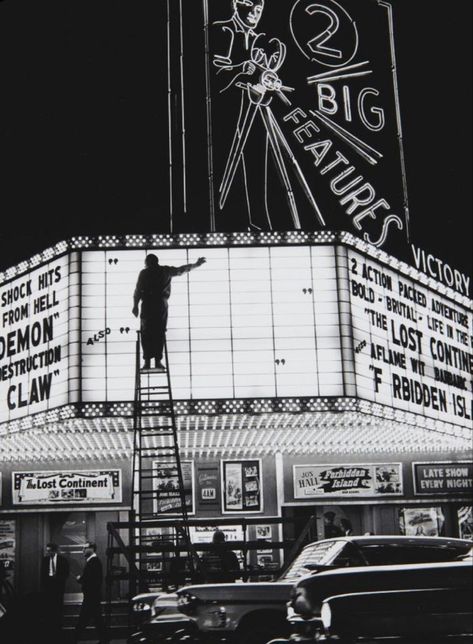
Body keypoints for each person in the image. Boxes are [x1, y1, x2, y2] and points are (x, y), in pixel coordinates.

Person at [132, 254, 207, 370]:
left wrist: (135, 305)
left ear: (147, 262)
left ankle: (147, 362)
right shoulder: (165, 270)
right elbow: (181, 270)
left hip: (148, 304)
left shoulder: (144, 273)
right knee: (159, 331)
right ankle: (157, 361)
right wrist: (196, 265)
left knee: (146, 332)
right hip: (160, 304)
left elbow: (137, 290)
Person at [74, 542, 108, 644]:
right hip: (93, 596)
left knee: (83, 620)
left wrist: (80, 579)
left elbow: (91, 579)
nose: (82, 550)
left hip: (91, 596)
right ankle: (104, 639)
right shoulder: (93, 561)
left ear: (92, 548)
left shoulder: (93, 561)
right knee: (97, 619)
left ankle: (74, 639)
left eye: (85, 548)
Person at [40, 542, 69, 643]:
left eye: (50, 551)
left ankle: (58, 625)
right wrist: (45, 585)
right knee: (49, 606)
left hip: (59, 586)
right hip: (48, 587)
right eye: (47, 551)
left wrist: (58, 580)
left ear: (55, 550)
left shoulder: (62, 560)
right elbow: (42, 574)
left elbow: (66, 573)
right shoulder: (45, 560)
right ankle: (51, 626)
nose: (49, 553)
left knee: (59, 605)